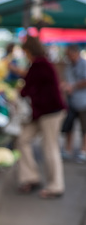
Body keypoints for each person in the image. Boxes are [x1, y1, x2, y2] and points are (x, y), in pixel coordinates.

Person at [16, 36, 66, 199]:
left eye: (25, 52)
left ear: (29, 51)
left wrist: (20, 90)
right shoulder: (39, 65)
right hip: (41, 112)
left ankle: (56, 186)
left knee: (50, 147)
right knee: (23, 139)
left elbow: (27, 88)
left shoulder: (40, 65)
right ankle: (30, 176)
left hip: (51, 112)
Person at [61, 45, 86, 161]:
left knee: (84, 128)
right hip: (71, 101)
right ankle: (68, 149)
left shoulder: (83, 64)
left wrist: (73, 86)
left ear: (76, 53)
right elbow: (67, 80)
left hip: (83, 101)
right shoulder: (69, 66)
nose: (69, 57)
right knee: (68, 126)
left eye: (70, 55)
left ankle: (83, 150)